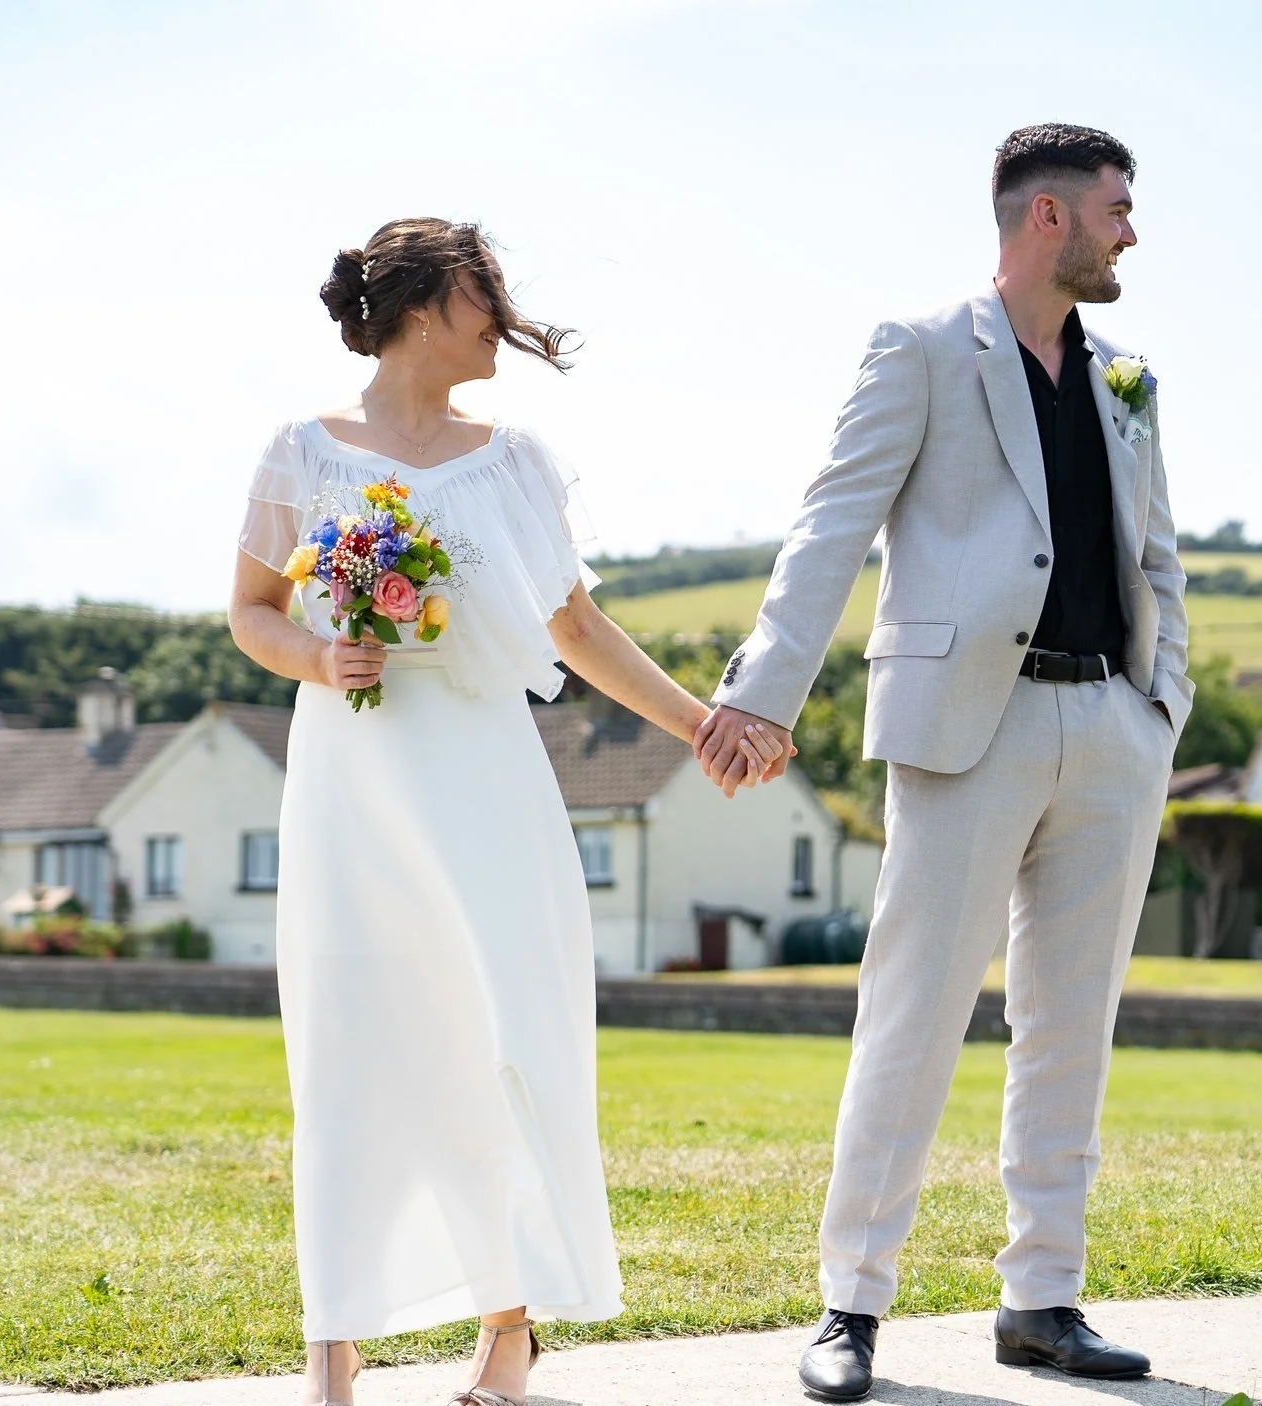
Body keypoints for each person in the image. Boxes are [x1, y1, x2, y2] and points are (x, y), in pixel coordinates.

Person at [229, 217, 787, 1406]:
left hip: (483, 779)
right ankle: (334, 1341)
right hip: (351, 783)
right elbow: (250, 612)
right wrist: (321, 659)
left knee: (501, 1033)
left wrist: (704, 724)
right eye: (488, 290)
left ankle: (506, 1329)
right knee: (350, 1038)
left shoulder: (514, 460)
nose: (503, 313)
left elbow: (573, 628)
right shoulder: (301, 450)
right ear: (430, 300)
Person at [695, 124, 1189, 1398]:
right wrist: (760, 695)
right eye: (1117, 208)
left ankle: (1042, 1300)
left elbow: (1157, 559)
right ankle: (849, 1307)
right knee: (911, 1019)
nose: (1132, 230)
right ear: (1045, 219)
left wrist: (1158, 705)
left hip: (1110, 734)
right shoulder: (919, 350)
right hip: (964, 731)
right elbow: (829, 529)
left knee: (1070, 1028)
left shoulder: (1127, 375)